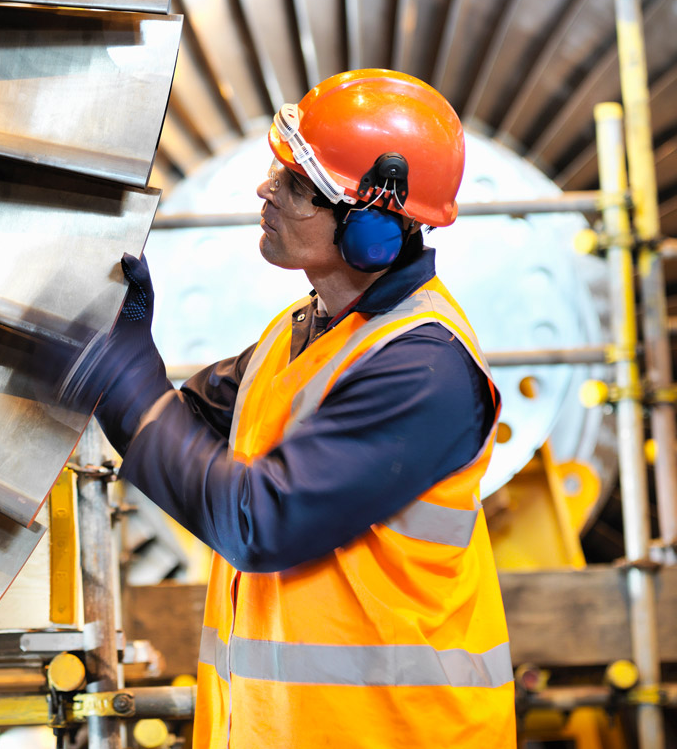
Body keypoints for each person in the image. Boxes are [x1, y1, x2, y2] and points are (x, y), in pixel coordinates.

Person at [55, 69, 515, 747]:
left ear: (372, 231)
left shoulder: (424, 369)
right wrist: (116, 353)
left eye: (297, 186)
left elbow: (259, 520)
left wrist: (124, 384)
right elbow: (183, 425)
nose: (266, 191)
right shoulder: (299, 332)